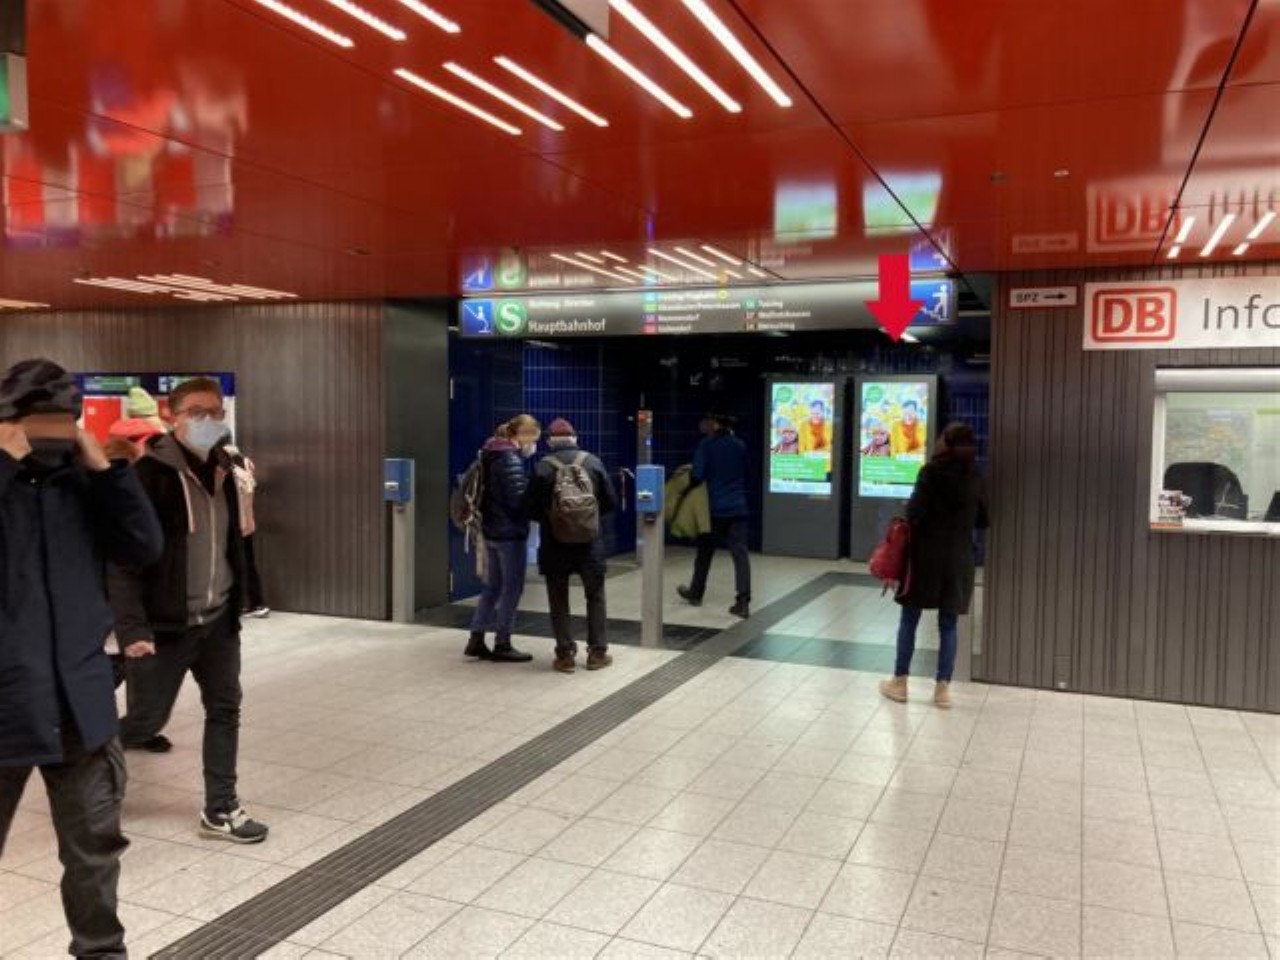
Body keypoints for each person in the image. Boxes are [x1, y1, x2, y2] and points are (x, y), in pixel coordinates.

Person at [0, 359, 163, 960]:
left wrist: (107, 472)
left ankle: (102, 953)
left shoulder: (82, 486)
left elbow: (144, 546)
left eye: (63, 421)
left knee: (95, 850)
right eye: (40, 421)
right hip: (6, 702)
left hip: (81, 705)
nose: (53, 433)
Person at [109, 376, 270, 843]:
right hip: (166, 626)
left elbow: (235, 540)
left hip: (218, 621)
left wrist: (246, 595)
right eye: (197, 412)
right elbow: (121, 562)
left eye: (215, 412)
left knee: (225, 709)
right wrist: (132, 627)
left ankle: (221, 808)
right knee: (145, 721)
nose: (209, 420)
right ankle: (84, 764)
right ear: (171, 416)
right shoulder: (148, 476)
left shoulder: (226, 468)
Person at [880, 422, 989, 709]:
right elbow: (982, 519)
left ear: (945, 444)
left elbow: (914, 513)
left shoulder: (930, 473)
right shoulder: (974, 476)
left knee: (910, 618)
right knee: (948, 625)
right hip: (959, 560)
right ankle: (942, 690)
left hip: (923, 559)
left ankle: (900, 682)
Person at [525, 419, 617, 674]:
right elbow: (610, 502)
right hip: (590, 544)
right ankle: (597, 654)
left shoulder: (543, 467)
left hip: (554, 545)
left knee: (558, 598)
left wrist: (554, 519)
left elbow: (529, 508)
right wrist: (585, 519)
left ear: (549, 442)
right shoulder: (593, 462)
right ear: (575, 438)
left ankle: (565, 655)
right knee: (595, 596)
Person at [464, 414, 541, 663]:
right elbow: (517, 502)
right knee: (512, 588)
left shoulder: (489, 454)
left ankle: (476, 639)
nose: (533, 446)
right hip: (509, 534)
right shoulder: (510, 460)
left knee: (493, 587)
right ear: (522, 436)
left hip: (491, 530)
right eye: (533, 439)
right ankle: (502, 643)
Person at [678, 412, 752, 619]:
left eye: (708, 422)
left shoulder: (707, 445)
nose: (704, 425)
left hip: (714, 509)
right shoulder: (740, 445)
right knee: (740, 555)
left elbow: (697, 476)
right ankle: (743, 602)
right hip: (738, 507)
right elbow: (746, 470)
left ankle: (696, 593)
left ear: (716, 424)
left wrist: (685, 486)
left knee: (704, 552)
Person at [218, 435, 269, 618]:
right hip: (248, 522)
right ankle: (257, 602)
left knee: (233, 564)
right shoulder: (244, 462)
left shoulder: (226, 466)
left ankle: (240, 604)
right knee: (248, 562)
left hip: (234, 523)